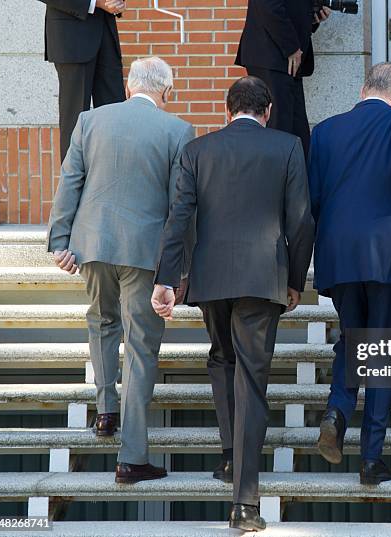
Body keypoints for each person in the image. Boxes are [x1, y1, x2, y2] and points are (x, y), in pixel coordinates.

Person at [151, 76, 314, 532]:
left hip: (211, 277)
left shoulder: (198, 151)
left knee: (222, 359)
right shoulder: (287, 146)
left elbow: (178, 217)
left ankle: (229, 455)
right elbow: (301, 220)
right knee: (252, 379)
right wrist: (295, 280)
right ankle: (244, 503)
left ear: (228, 111)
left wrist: (167, 278)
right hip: (264, 280)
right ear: (266, 113)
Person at [47, 57, 195, 484]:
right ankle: (131, 456)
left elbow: (69, 181)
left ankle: (106, 411)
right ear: (166, 92)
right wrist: (179, 268)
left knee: (101, 323)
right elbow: (178, 207)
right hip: (144, 253)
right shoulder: (178, 131)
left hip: (92, 244)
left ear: (129, 87)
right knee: (141, 346)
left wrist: (60, 242)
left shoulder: (89, 120)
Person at [309, 62, 391, 485]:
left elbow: (312, 197)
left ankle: (337, 410)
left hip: (338, 251)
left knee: (353, 338)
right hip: (387, 248)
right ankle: (371, 457)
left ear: (363, 89)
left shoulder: (326, 130)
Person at [235, 0, 331, 158]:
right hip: (272, 55)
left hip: (285, 59)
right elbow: (268, 6)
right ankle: (275, 181)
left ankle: (294, 180)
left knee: (297, 134)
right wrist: (291, 47)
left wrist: (312, 19)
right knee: (278, 129)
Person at [39, 0, 127, 161]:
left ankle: (115, 180)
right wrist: (95, 3)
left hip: (106, 31)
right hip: (71, 38)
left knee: (116, 115)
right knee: (75, 119)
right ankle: (73, 185)